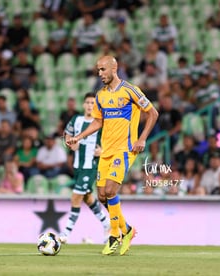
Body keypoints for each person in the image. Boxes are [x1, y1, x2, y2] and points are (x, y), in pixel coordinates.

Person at [66, 56, 159, 255]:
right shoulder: (100, 96)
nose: (99, 74)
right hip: (106, 150)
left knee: (110, 190)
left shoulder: (130, 90)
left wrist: (142, 139)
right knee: (101, 196)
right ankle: (127, 230)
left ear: (114, 68)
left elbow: (153, 113)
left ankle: (115, 235)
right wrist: (79, 137)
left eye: (102, 69)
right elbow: (98, 122)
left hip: (124, 149)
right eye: (98, 70)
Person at [59, 92, 110, 244]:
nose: (89, 105)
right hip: (78, 166)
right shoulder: (76, 120)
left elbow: (110, 141)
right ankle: (107, 224)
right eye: (87, 102)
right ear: (83, 105)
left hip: (91, 166)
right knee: (87, 198)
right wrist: (69, 144)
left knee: (75, 197)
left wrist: (103, 152)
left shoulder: (100, 122)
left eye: (93, 103)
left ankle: (66, 234)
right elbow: (67, 136)